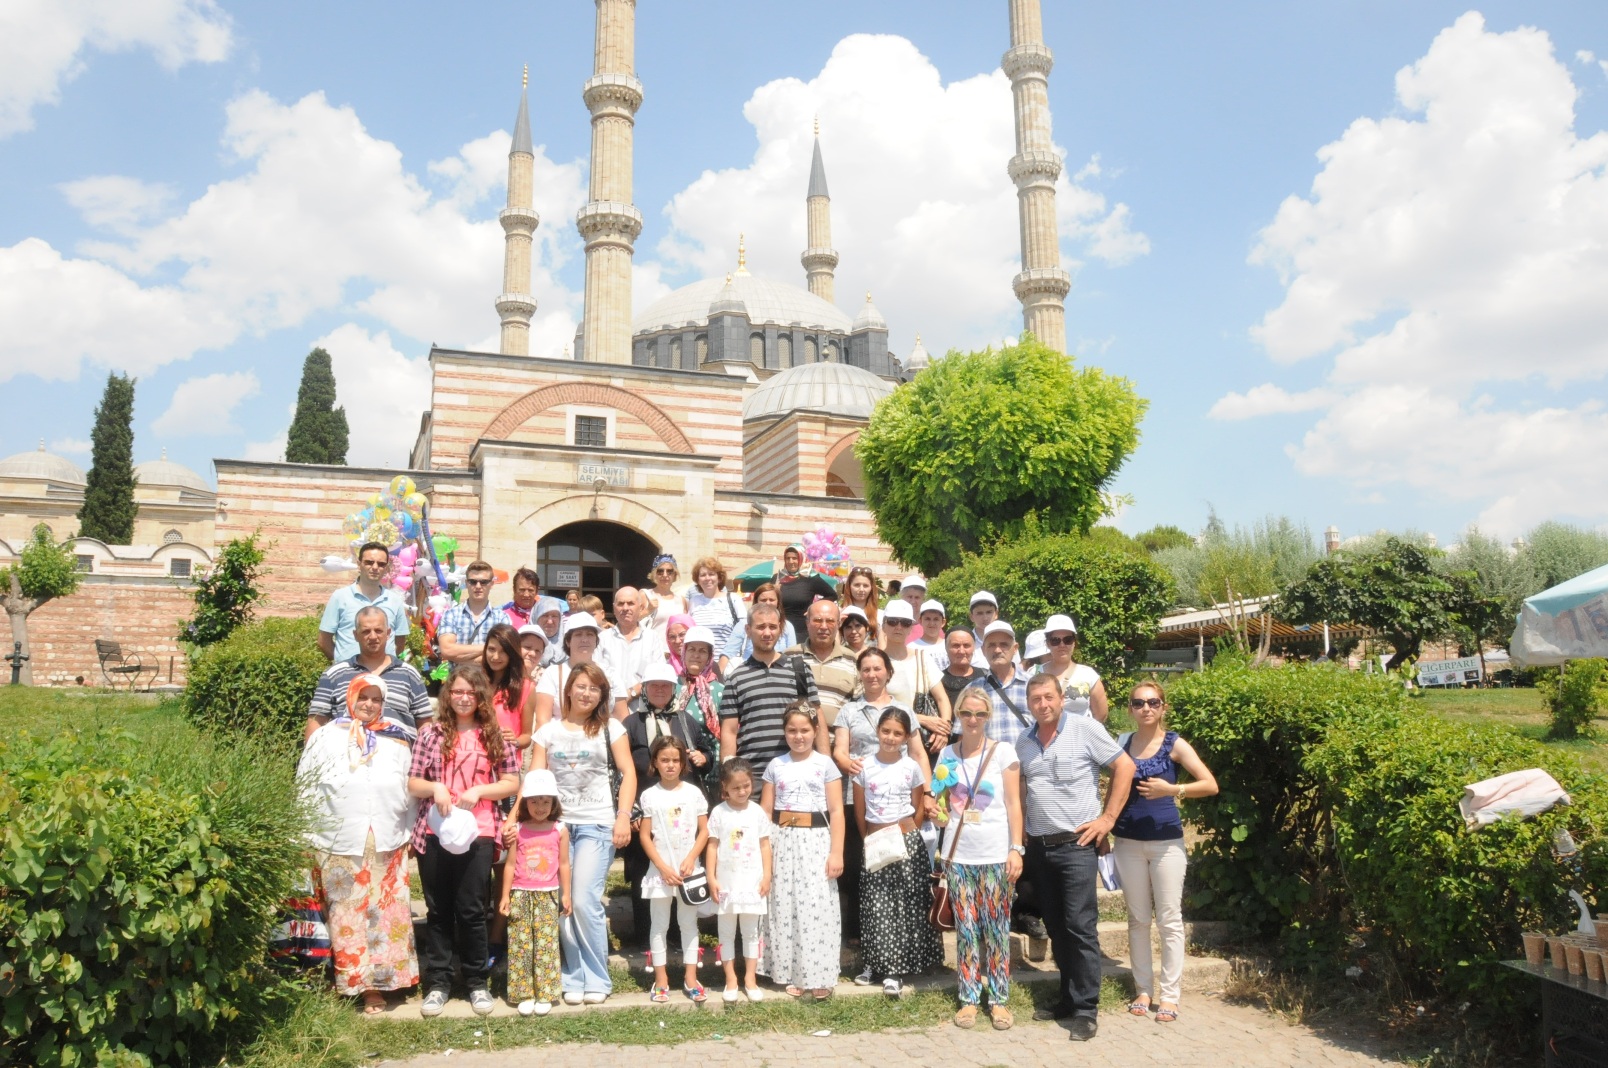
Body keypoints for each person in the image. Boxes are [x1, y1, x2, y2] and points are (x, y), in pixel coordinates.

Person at [1017, 673, 1135, 1041]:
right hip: (1039, 848)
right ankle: (1068, 998)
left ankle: (1086, 1009)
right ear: (1029, 703)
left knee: (1080, 927)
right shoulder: (1024, 742)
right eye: (1036, 699)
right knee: (1055, 926)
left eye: (1049, 697)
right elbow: (1022, 788)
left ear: (1061, 697)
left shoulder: (1085, 729)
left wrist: (1108, 820)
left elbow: (1124, 767)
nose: (1043, 704)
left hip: (1077, 847)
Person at [298, 673, 419, 1013]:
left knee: (386, 913)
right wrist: (303, 834)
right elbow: (305, 783)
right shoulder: (325, 737)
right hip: (337, 840)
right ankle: (355, 983)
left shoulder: (397, 740)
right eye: (362, 697)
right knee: (347, 912)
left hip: (387, 840)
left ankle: (383, 982)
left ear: (384, 703)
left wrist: (406, 833)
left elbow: (410, 791)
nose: (369, 705)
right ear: (350, 699)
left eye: (376, 699)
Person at [407, 664, 521, 1018]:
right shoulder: (431, 734)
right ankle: (438, 982)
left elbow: (512, 782)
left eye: (470, 692)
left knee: (472, 911)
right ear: (448, 695)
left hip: (480, 831)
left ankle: (476, 981)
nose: (463, 698)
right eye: (457, 691)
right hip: (435, 832)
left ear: (480, 696)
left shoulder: (494, 735)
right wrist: (436, 787)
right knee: (438, 909)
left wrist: (480, 790)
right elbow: (413, 783)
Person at [529, 661, 636, 1004]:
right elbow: (534, 780)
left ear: (602, 694)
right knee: (565, 903)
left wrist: (622, 818)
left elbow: (628, 774)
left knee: (585, 899)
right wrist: (517, 818)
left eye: (595, 688)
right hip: (556, 828)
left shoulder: (611, 728)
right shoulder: (547, 732)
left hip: (597, 823)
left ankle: (598, 978)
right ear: (569, 689)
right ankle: (572, 976)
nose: (587, 693)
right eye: (582, 686)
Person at [1111, 680, 1217, 1024]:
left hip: (1166, 842)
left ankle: (1170, 996)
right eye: (1139, 703)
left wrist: (1173, 788)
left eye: (1153, 702)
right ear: (1130, 708)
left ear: (1163, 707)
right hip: (1127, 841)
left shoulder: (1174, 744)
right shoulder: (1122, 743)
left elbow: (1210, 784)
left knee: (1170, 920)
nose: (1146, 708)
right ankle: (1144, 988)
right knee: (1138, 919)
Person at [931, 687, 1024, 1030]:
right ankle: (969, 998)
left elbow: (1014, 804)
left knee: (997, 929)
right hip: (959, 857)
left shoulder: (1003, 753)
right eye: (967, 713)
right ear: (957, 714)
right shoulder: (947, 755)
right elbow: (940, 806)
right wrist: (936, 810)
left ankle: (998, 999)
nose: (972, 720)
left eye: (980, 714)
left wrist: (1017, 848)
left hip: (996, 854)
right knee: (967, 930)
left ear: (988, 717)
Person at [833, 646, 930, 951]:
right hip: (859, 798)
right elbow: (839, 750)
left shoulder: (904, 710)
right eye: (866, 669)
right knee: (859, 865)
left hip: (898, 800)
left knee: (900, 868)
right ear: (859, 674)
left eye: (878, 669)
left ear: (888, 672)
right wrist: (846, 762)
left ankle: (903, 933)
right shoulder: (849, 710)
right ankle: (860, 931)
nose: (872, 674)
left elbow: (917, 753)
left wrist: (927, 793)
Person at [622, 660, 716, 942]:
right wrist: (631, 810)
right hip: (646, 807)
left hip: (682, 809)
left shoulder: (686, 720)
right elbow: (621, 769)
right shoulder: (631, 723)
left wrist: (704, 758)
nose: (660, 690)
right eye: (654, 686)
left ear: (674, 689)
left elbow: (707, 749)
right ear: (645, 689)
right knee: (644, 868)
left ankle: (679, 934)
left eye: (666, 686)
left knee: (681, 865)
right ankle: (645, 935)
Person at [852, 708, 942, 997]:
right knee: (875, 904)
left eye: (898, 733)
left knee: (903, 905)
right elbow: (859, 810)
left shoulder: (912, 767)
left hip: (905, 841)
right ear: (878, 731)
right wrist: (871, 836)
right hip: (876, 840)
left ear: (906, 737)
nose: (890, 738)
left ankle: (895, 969)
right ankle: (873, 964)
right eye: (886, 731)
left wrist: (905, 834)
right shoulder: (863, 766)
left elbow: (917, 809)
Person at [759, 702, 845, 1000]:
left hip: (816, 840)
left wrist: (837, 852)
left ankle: (818, 972)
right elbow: (766, 810)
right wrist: (763, 850)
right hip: (782, 839)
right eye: (792, 731)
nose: (798, 736)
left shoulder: (825, 764)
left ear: (815, 731)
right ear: (784, 733)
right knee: (786, 904)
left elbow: (836, 811)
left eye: (804, 730)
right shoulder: (776, 766)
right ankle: (790, 971)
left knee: (815, 905)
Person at [637, 735, 711, 1004]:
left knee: (688, 923)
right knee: (658, 925)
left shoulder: (693, 793)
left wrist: (692, 857)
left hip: (688, 871)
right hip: (661, 872)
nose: (670, 765)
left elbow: (705, 830)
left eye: (676, 760)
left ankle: (691, 978)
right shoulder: (649, 796)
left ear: (683, 764)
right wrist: (661, 866)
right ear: (655, 762)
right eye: (664, 760)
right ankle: (661, 979)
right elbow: (645, 836)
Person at [498, 769, 571, 1017]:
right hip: (520, 894)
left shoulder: (559, 830)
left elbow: (563, 864)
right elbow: (509, 864)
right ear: (525, 802)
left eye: (545, 801)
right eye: (534, 801)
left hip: (548, 895)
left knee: (546, 945)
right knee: (521, 944)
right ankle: (523, 993)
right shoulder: (517, 829)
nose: (540, 807)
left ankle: (546, 992)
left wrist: (566, 894)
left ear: (554, 803)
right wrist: (505, 895)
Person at [719, 603, 822, 776]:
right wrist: (728, 776)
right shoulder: (736, 678)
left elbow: (816, 718)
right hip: (752, 774)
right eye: (760, 627)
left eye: (773, 627)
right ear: (748, 630)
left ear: (780, 629)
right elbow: (729, 731)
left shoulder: (799, 670)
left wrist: (824, 765)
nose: (767, 633)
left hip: (795, 770)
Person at [306, 606, 432, 744]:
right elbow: (316, 721)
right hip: (344, 759)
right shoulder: (334, 674)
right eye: (366, 631)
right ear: (355, 635)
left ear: (388, 633)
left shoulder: (409, 674)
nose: (373, 636)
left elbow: (424, 723)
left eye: (378, 630)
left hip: (398, 760)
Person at [705, 758, 772, 1003]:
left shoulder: (757, 813)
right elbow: (712, 847)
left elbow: (765, 845)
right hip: (726, 884)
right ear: (725, 787)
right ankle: (730, 978)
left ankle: (750, 979)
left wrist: (767, 875)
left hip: (752, 883)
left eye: (746, 786)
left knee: (751, 933)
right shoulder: (719, 812)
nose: (742, 791)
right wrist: (711, 878)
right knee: (725, 933)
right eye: (736, 788)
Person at [880, 599, 953, 754]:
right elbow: (876, 705)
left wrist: (943, 730)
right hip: (887, 741)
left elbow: (942, 699)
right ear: (883, 625)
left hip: (922, 743)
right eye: (893, 622)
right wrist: (921, 719)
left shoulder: (922, 657)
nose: (898, 627)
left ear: (911, 628)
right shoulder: (876, 660)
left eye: (905, 623)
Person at [318, 541, 409, 661]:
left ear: (386, 568)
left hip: (383, 677)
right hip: (349, 677)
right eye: (369, 562)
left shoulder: (395, 601)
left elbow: (400, 643)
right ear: (359, 564)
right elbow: (323, 641)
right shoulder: (340, 597)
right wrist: (343, 665)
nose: (375, 567)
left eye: (381, 564)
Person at [534, 615, 627, 727]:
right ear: (568, 641)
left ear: (596, 641)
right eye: (578, 635)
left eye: (590, 634)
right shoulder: (552, 673)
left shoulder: (610, 674)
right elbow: (542, 720)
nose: (584, 639)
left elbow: (622, 718)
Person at [783, 599, 859, 729]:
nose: (823, 626)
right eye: (817, 620)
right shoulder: (789, 656)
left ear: (838, 624)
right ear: (807, 623)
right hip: (797, 741)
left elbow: (858, 704)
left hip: (838, 742)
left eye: (830, 621)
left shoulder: (851, 659)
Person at [1038, 614, 1109, 723]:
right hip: (1046, 739)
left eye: (1067, 640)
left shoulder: (1088, 675)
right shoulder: (1035, 674)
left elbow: (1101, 714)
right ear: (1048, 643)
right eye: (1055, 640)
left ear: (1074, 643)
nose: (1062, 645)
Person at [599, 585, 667, 697]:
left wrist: (632, 693)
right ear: (614, 608)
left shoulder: (652, 638)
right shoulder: (602, 639)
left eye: (631, 603)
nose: (625, 608)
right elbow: (595, 674)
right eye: (620, 604)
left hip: (643, 709)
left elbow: (659, 674)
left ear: (640, 608)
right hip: (609, 708)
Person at [720, 582, 797, 674]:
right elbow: (728, 653)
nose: (767, 603)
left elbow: (792, 655)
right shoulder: (743, 624)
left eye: (771, 599)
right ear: (756, 601)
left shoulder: (787, 626)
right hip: (748, 673)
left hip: (779, 674)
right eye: (763, 600)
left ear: (778, 602)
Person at [483, 623, 535, 753]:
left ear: (512, 653)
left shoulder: (526, 687)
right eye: (491, 649)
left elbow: (527, 736)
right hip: (474, 760)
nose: (495, 657)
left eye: (503, 652)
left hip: (505, 763)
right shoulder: (476, 681)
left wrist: (515, 742)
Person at [439, 560, 500, 663]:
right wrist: (489, 647)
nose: (478, 586)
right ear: (466, 583)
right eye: (473, 582)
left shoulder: (501, 618)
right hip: (458, 678)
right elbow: (447, 650)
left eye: (484, 582)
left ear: (492, 584)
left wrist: (458, 657)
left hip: (488, 678)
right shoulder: (451, 615)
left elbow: (503, 654)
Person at [775, 543, 837, 639]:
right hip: (780, 631)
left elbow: (832, 595)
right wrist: (774, 591)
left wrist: (814, 608)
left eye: (795, 558)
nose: (791, 562)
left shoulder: (810, 578)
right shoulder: (778, 578)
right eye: (788, 558)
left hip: (802, 632)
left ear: (801, 558)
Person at [688, 556, 746, 652]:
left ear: (719, 578)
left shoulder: (733, 599)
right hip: (701, 662)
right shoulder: (694, 602)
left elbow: (744, 630)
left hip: (727, 662)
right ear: (698, 580)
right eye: (703, 575)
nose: (707, 578)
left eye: (711, 574)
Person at [644, 554, 690, 634]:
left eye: (669, 571)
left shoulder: (681, 600)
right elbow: (631, 621)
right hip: (654, 645)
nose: (665, 575)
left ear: (675, 575)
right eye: (660, 571)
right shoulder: (646, 595)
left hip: (676, 645)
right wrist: (648, 610)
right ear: (654, 574)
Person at [938, 629, 980, 712]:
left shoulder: (986, 677)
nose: (961, 651)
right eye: (956, 645)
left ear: (974, 647)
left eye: (966, 645)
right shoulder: (937, 680)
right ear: (946, 648)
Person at [838, 565, 879, 643]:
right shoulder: (839, 612)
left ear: (871, 588)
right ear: (849, 587)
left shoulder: (879, 615)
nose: (861, 589)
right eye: (857, 585)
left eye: (865, 586)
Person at [534, 596, 567, 667]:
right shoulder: (523, 645)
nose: (549, 621)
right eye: (545, 615)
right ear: (536, 617)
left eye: (554, 616)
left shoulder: (569, 645)